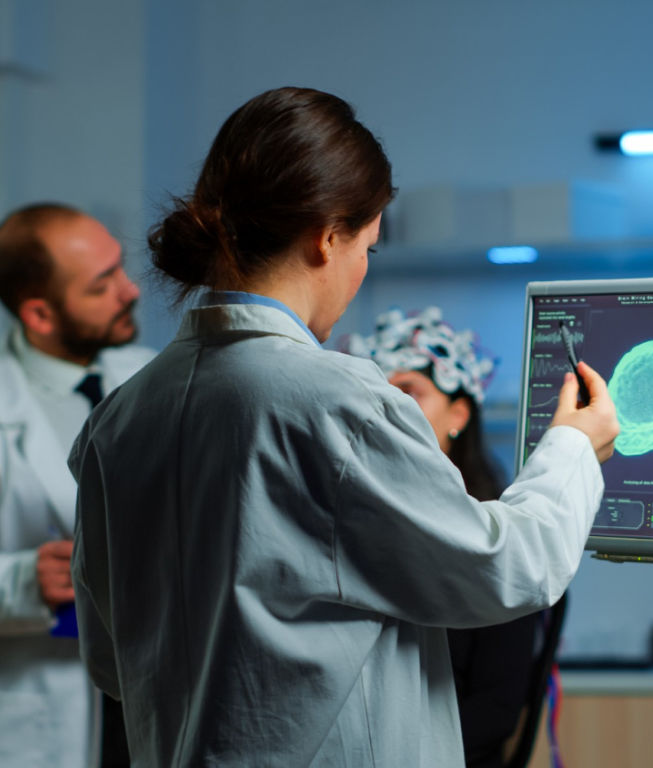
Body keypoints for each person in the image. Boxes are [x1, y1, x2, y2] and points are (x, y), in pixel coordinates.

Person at [68, 86, 618, 767]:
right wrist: (574, 445)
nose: (361, 269)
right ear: (327, 237)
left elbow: (111, 662)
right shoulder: (335, 398)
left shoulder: (117, 419)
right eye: (368, 247)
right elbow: (507, 568)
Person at [347, 306, 542, 768]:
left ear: (458, 413)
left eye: (410, 391)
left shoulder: (495, 536)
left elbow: (495, 711)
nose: (391, 409)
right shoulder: (351, 522)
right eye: (380, 394)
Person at [0, 203, 154, 766]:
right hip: (46, 707)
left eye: (119, 268)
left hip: (152, 690)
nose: (131, 290)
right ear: (39, 315)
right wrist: (20, 581)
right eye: (102, 285)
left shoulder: (148, 376)